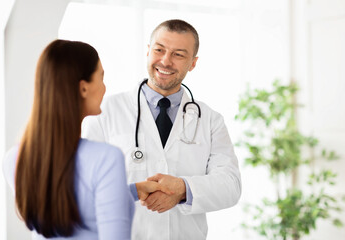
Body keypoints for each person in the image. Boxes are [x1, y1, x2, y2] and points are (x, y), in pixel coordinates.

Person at [82, 19, 242, 240]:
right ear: (148, 51)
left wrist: (183, 189)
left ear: (193, 63)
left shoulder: (210, 120)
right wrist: (135, 190)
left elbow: (230, 185)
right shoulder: (105, 111)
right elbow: (84, 186)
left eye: (178, 54)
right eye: (159, 50)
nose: (165, 61)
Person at [3, 39, 171, 240]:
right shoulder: (106, 158)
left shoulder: (15, 158)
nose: (104, 87)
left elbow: (71, 201)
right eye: (101, 78)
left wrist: (133, 190)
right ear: (83, 88)